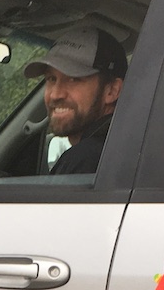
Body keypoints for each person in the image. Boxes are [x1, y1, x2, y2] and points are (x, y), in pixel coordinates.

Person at [24, 24, 127, 176]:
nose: (55, 94)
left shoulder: (84, 161)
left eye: (74, 79)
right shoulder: (150, 150)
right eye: (51, 79)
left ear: (112, 90)